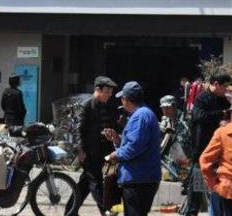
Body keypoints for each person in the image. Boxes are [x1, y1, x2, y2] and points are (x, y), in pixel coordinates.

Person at [107, 81, 162, 216]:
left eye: (122, 98)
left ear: (126, 100)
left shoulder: (140, 116)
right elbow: (136, 143)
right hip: (142, 177)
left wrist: (116, 154)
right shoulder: (143, 114)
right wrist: (118, 140)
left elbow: (135, 146)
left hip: (138, 178)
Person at [67, 76, 119, 215]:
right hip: (89, 152)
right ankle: (106, 211)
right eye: (107, 91)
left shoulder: (104, 105)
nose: (109, 95)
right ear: (97, 89)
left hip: (100, 151)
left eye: (111, 92)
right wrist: (80, 150)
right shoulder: (87, 105)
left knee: (85, 184)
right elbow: (78, 129)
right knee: (96, 182)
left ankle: (69, 211)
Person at [185, 73, 231, 216]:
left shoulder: (222, 99)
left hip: (218, 147)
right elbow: (200, 116)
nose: (226, 90)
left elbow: (229, 113)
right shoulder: (201, 98)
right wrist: (220, 115)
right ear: (216, 84)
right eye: (224, 86)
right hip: (202, 147)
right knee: (198, 181)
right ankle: (192, 211)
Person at [159, 95, 191, 180]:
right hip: (170, 157)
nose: (165, 110)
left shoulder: (185, 119)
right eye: (163, 108)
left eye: (167, 107)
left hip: (184, 156)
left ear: (174, 106)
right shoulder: (166, 119)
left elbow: (183, 142)